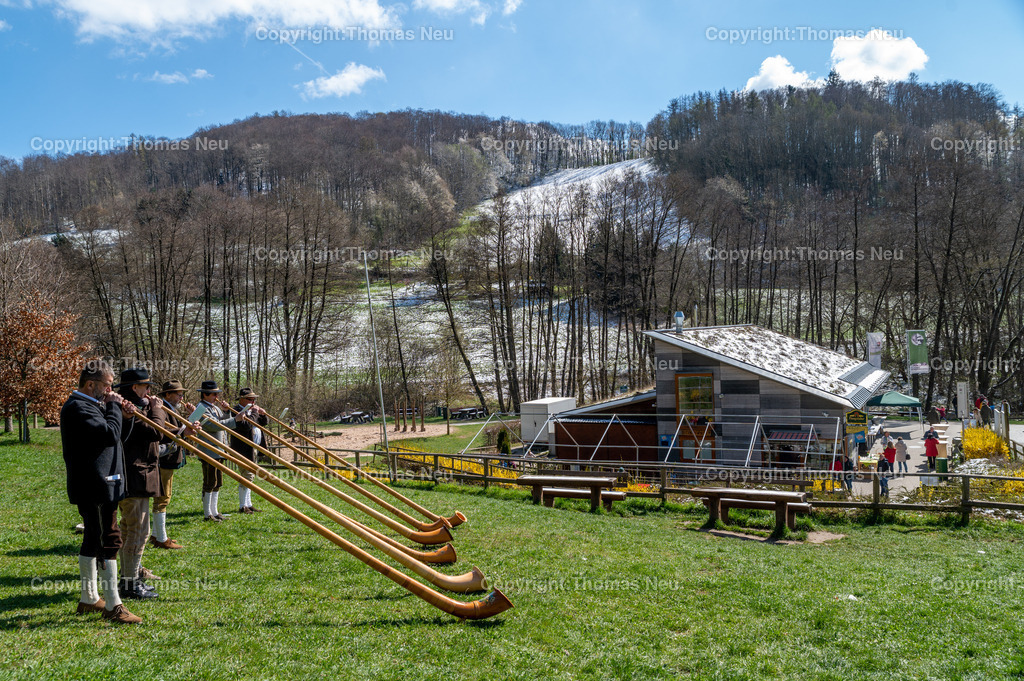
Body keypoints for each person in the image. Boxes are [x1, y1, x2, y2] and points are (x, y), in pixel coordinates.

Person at [60, 359, 141, 624]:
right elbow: (108, 434)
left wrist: (124, 417)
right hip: (94, 485)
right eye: (107, 386)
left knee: (96, 538)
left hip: (105, 482)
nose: (110, 391)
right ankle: (113, 605)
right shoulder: (78, 407)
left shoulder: (94, 405)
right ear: (91, 384)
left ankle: (89, 598)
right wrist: (115, 407)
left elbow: (116, 439)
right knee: (108, 538)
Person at [115, 368, 165, 600]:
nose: (149, 391)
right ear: (135, 388)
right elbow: (157, 431)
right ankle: (129, 583)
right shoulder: (129, 410)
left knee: (131, 530)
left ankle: (129, 579)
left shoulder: (137, 408)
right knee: (138, 531)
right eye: (146, 386)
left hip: (137, 476)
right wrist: (157, 408)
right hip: (134, 478)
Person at [150, 380, 195, 550]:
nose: (181, 396)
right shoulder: (162, 410)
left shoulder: (172, 409)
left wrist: (191, 418)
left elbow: (180, 430)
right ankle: (161, 538)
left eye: (181, 393)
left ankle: (156, 535)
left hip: (170, 456)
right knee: (162, 499)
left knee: (164, 497)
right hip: (164, 458)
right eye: (178, 393)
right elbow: (163, 434)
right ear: (167, 394)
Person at [189, 380, 241, 521]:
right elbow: (214, 425)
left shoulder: (214, 407)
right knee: (210, 482)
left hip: (219, 449)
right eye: (213, 394)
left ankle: (215, 511)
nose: (216, 397)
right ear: (205, 394)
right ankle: (207, 514)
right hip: (209, 450)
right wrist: (235, 420)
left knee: (218, 482)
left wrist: (226, 411)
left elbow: (224, 420)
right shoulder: (201, 408)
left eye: (216, 394)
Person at [229, 388, 270, 514]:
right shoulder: (236, 410)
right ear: (241, 399)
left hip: (253, 448)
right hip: (243, 448)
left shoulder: (252, 411)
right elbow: (246, 426)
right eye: (249, 399)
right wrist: (255, 413)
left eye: (254, 399)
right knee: (246, 476)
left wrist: (262, 414)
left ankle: (248, 504)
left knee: (250, 476)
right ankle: (243, 506)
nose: (252, 402)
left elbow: (263, 423)